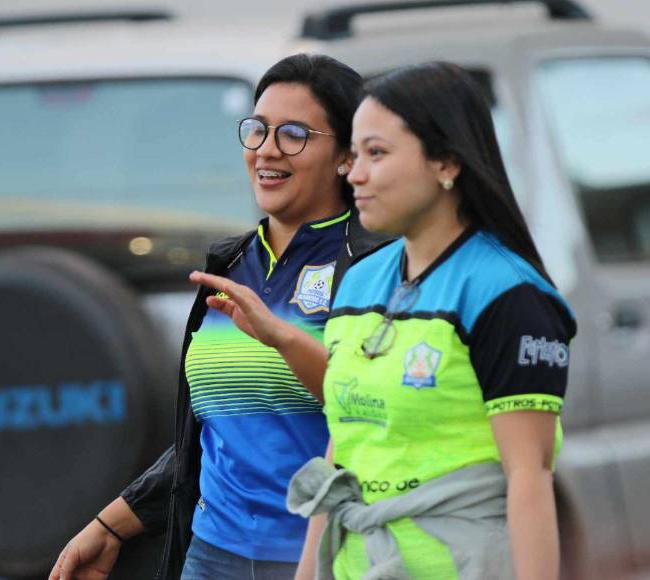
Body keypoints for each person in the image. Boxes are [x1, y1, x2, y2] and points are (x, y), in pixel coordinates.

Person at [189, 61, 577, 580]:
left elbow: (530, 481)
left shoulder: (509, 295)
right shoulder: (363, 282)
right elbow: (342, 452)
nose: (355, 173)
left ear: (446, 163)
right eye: (355, 154)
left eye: (377, 153)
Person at [49, 53, 391, 580]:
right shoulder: (229, 263)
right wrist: (112, 524)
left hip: (322, 556)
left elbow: (376, 409)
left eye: (294, 134)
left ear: (346, 156)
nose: (267, 150)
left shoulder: (373, 265)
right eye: (257, 130)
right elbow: (208, 434)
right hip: (211, 553)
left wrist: (285, 341)